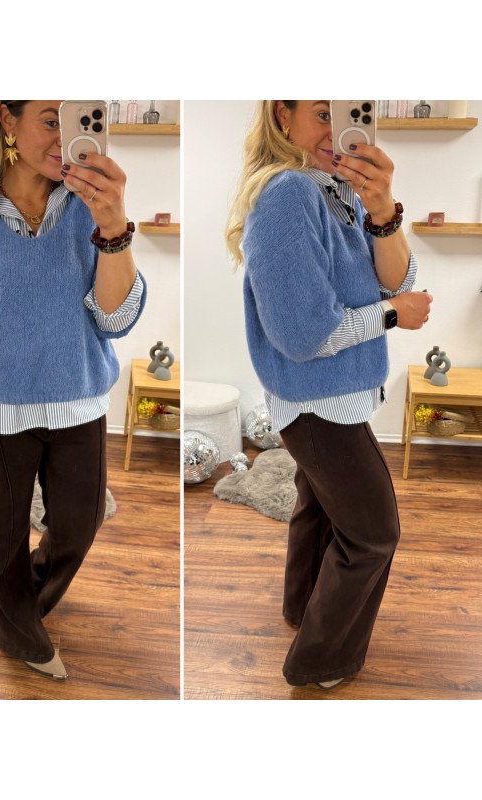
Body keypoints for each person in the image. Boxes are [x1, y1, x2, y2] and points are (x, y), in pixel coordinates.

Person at [0, 101, 146, 680]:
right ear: (8, 120)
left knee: (79, 524)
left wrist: (113, 228)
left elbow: (116, 320)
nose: (64, 139)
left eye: (76, 123)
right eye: (51, 120)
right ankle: (16, 632)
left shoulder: (91, 208)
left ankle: (18, 605)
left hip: (79, 401)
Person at [226, 100, 432, 690]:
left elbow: (398, 279)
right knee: (373, 534)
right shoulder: (289, 194)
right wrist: (391, 315)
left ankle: (301, 606)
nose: (338, 131)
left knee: (317, 508)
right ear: (282, 116)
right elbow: (301, 333)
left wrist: (382, 207)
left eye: (352, 110)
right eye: (322, 112)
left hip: (328, 397)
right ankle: (319, 662)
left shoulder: (339, 192)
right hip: (319, 401)